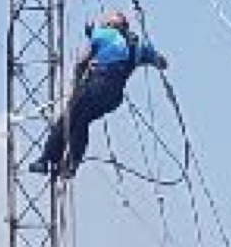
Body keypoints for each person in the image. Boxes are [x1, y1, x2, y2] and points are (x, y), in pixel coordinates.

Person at [33, 10, 169, 177]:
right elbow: (162, 63)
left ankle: (46, 160)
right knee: (82, 121)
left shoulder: (104, 34)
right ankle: (71, 165)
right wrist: (151, 58)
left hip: (96, 86)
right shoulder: (139, 46)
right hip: (113, 97)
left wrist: (76, 86)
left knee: (68, 119)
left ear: (110, 26)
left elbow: (82, 61)